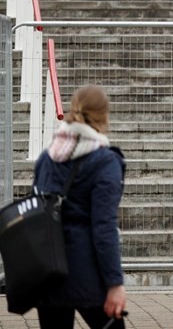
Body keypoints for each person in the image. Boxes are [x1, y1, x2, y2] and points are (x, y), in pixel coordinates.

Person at [31, 85, 127, 329]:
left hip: (48, 272)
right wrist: (115, 283)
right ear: (104, 116)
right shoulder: (105, 162)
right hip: (87, 275)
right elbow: (103, 227)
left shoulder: (47, 157)